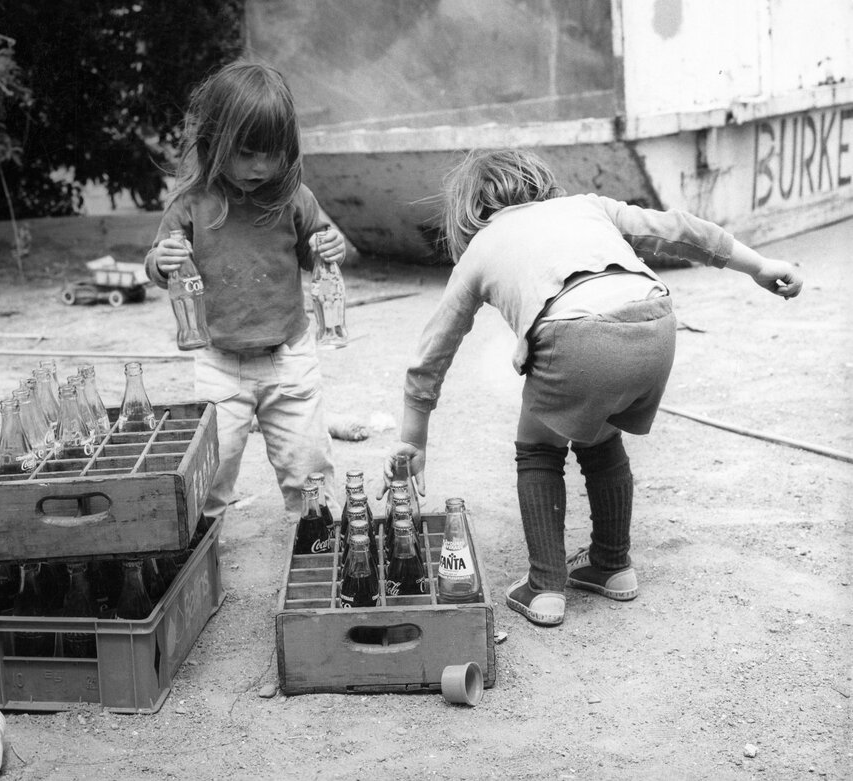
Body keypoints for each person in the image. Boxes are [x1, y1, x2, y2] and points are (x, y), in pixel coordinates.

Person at [383, 148, 802, 627]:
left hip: (578, 338)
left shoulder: (482, 246)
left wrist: (414, 437)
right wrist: (758, 266)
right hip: (655, 322)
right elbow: (679, 231)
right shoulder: (588, 205)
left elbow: (433, 350)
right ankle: (612, 565)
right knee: (599, 431)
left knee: (538, 447)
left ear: (469, 213)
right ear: (542, 183)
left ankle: (544, 587)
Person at [144, 61, 347, 524]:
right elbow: (158, 263)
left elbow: (316, 255)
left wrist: (328, 245)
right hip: (219, 361)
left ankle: (320, 540)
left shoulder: (294, 197)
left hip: (289, 356)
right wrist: (161, 261)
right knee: (211, 471)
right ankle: (199, 550)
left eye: (272, 153)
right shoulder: (190, 203)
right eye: (247, 152)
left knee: (308, 464)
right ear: (214, 142)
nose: (261, 167)